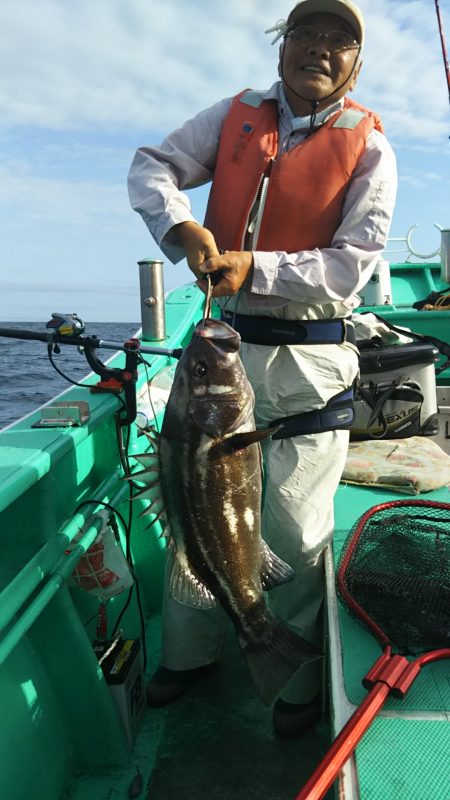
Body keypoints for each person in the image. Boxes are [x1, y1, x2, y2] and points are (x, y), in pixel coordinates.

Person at [127, 0, 397, 737]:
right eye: (306, 32)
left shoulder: (370, 146)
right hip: (220, 346)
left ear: (355, 65)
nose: (320, 48)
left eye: (339, 40)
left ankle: (294, 678)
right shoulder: (233, 117)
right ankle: (189, 653)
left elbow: (351, 265)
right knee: (194, 507)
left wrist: (260, 267)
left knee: (297, 530)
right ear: (281, 48)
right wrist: (180, 224)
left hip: (309, 362)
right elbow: (152, 166)